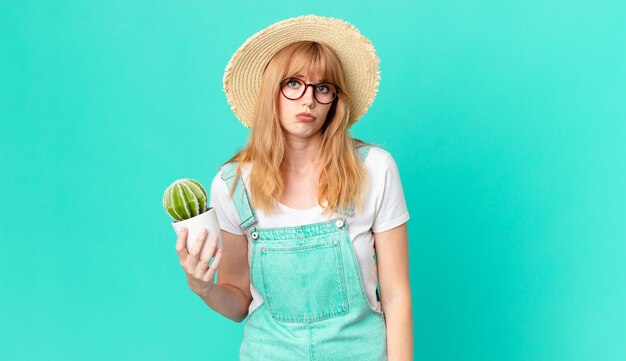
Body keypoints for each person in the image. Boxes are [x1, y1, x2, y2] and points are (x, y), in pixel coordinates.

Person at [175, 15, 413, 361]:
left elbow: (396, 296)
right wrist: (203, 288)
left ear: (334, 99)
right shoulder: (234, 185)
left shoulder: (375, 169)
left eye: (323, 87)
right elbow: (238, 300)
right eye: (293, 83)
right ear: (272, 90)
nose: (309, 100)